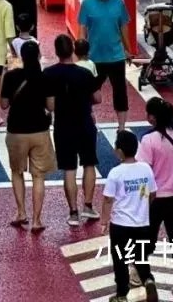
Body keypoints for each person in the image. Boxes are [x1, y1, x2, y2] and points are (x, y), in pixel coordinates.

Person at [138, 96, 173, 301]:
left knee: (146, 236)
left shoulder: (149, 140)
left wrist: (140, 198)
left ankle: (137, 273)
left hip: (156, 197)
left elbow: (144, 171)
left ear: (152, 117)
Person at [43, 33, 99, 227]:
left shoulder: (49, 73)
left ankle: (73, 212)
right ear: (72, 51)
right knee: (89, 163)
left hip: (63, 126)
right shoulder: (85, 73)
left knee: (69, 168)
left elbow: (50, 106)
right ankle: (88, 205)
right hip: (85, 122)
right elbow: (98, 98)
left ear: (57, 52)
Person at [0, 39, 55, 232]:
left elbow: (4, 105)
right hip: (39, 130)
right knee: (38, 176)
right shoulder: (45, 78)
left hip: (16, 131)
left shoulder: (11, 76)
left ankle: (21, 212)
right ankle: (37, 220)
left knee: (17, 172)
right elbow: (51, 106)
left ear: (21, 57)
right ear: (38, 56)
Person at [100, 129, 158, 302]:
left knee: (120, 259)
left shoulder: (115, 173)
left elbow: (108, 200)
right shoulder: (145, 169)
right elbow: (152, 193)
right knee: (140, 256)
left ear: (119, 151)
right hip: (142, 224)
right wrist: (143, 208)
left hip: (120, 225)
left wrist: (104, 221)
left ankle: (121, 295)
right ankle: (148, 279)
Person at [77, 0, 131, 133]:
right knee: (89, 92)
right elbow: (82, 28)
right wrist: (81, 51)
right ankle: (88, 116)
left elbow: (123, 27)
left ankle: (121, 126)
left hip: (116, 56)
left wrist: (128, 49)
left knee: (120, 93)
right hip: (94, 57)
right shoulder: (87, 3)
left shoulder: (119, 3)